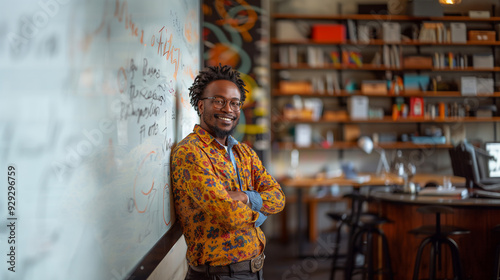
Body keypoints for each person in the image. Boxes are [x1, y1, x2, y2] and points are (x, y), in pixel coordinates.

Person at [171, 64, 285, 280]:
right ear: (201, 105)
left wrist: (245, 197)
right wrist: (261, 212)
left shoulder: (244, 153)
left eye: (235, 103)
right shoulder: (191, 152)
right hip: (218, 274)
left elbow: (278, 196)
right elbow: (227, 213)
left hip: (255, 270)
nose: (228, 109)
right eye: (219, 101)